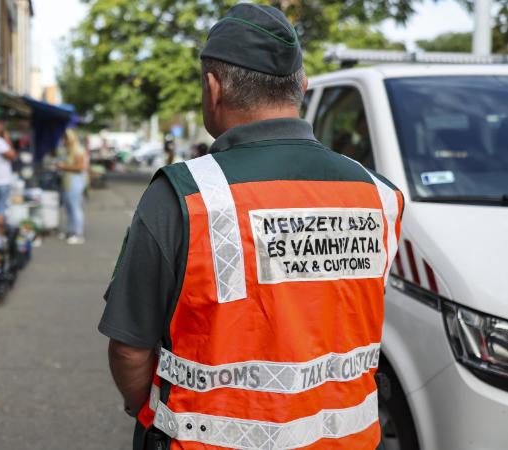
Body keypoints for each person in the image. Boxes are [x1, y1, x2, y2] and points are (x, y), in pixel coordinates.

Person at [99, 5, 405, 450]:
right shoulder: (379, 195)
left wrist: (140, 409)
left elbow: (130, 348)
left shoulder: (184, 195)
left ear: (212, 86)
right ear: (301, 86)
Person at [56, 129, 88, 244]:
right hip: (68, 182)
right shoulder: (69, 151)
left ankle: (78, 234)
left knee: (75, 208)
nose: (63, 141)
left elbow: (80, 167)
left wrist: (63, 166)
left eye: (65, 138)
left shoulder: (78, 150)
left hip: (75, 182)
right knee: (68, 208)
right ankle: (70, 231)